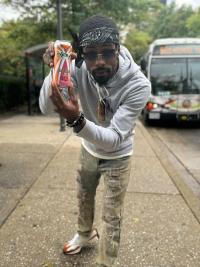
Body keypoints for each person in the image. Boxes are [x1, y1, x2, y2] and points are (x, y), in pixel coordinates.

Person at [39, 15, 151, 267]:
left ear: (118, 50)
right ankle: (84, 232)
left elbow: (113, 139)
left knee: (112, 215)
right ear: (82, 55)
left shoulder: (138, 84)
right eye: (91, 55)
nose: (99, 62)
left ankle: (105, 263)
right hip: (89, 148)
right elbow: (45, 108)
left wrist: (77, 120)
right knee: (84, 195)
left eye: (107, 53)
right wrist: (56, 66)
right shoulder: (77, 68)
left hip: (119, 155)